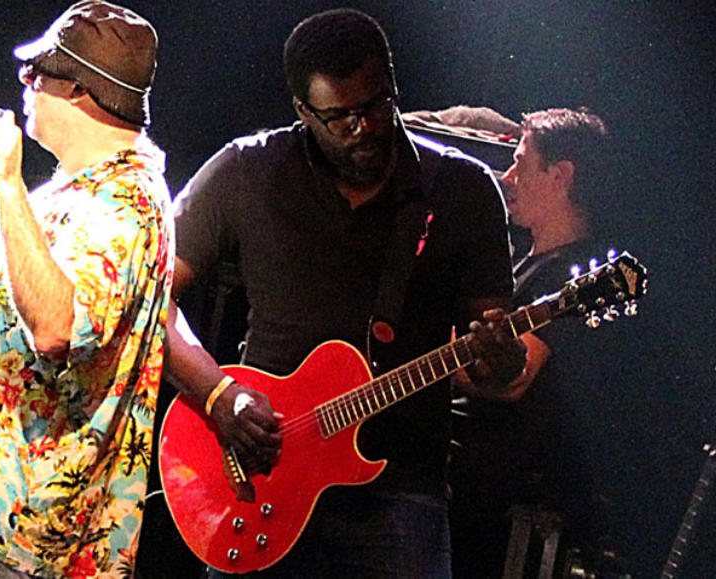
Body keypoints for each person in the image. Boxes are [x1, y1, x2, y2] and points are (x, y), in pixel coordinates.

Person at [166, 8, 526, 578]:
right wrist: (218, 396)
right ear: (303, 111)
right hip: (261, 475)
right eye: (340, 118)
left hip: (401, 492)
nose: (365, 128)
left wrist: (500, 360)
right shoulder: (246, 171)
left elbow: (492, 358)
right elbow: (149, 301)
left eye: (377, 105)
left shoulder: (463, 190)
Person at [0, 2, 174, 576]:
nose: (25, 82)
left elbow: (57, 328)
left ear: (79, 89)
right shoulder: (79, 191)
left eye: (39, 73)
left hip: (15, 530)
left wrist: (6, 184)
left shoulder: (126, 204)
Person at [446, 108, 620, 576]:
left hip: (489, 499)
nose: (508, 177)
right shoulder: (525, 265)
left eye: (520, 163)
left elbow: (513, 380)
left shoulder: (572, 276)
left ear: (560, 176)